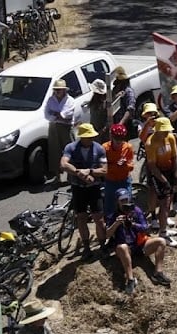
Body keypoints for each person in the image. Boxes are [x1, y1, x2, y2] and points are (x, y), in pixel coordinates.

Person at [104, 188, 170, 293]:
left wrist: (133, 224)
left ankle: (158, 273)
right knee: (122, 247)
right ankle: (130, 279)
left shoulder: (136, 210)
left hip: (139, 245)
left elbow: (145, 227)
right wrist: (116, 224)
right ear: (117, 202)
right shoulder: (113, 216)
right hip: (126, 249)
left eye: (126, 199)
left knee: (161, 241)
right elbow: (106, 235)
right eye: (122, 201)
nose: (125, 203)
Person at [60, 123, 107, 260]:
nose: (90, 139)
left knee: (99, 218)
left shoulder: (99, 149)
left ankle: (102, 245)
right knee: (81, 218)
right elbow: (63, 164)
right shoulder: (71, 148)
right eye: (88, 137)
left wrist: (90, 171)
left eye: (92, 136)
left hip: (94, 188)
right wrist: (79, 173)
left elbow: (104, 169)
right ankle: (86, 248)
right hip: (78, 188)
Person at [144, 116, 177, 238]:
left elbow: (175, 158)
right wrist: (164, 181)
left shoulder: (170, 138)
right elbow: (152, 166)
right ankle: (158, 224)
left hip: (169, 170)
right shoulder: (150, 143)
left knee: (168, 199)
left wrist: (175, 175)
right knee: (159, 198)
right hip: (156, 172)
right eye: (164, 131)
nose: (166, 133)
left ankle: (164, 223)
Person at [44, 79, 76, 182]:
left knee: (70, 151)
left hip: (66, 128)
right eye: (56, 89)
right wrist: (58, 116)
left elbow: (67, 115)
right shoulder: (50, 100)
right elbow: (47, 114)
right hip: (54, 127)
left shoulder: (70, 100)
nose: (57, 91)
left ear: (64, 90)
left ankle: (71, 176)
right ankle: (57, 176)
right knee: (54, 152)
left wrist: (58, 115)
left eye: (59, 89)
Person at [102, 124, 134, 219]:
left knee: (127, 205)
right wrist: (116, 165)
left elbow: (131, 166)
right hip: (110, 181)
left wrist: (125, 164)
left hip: (124, 180)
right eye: (116, 138)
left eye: (121, 138)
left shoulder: (128, 147)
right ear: (112, 137)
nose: (119, 141)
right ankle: (110, 226)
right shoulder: (105, 148)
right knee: (110, 206)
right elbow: (102, 166)